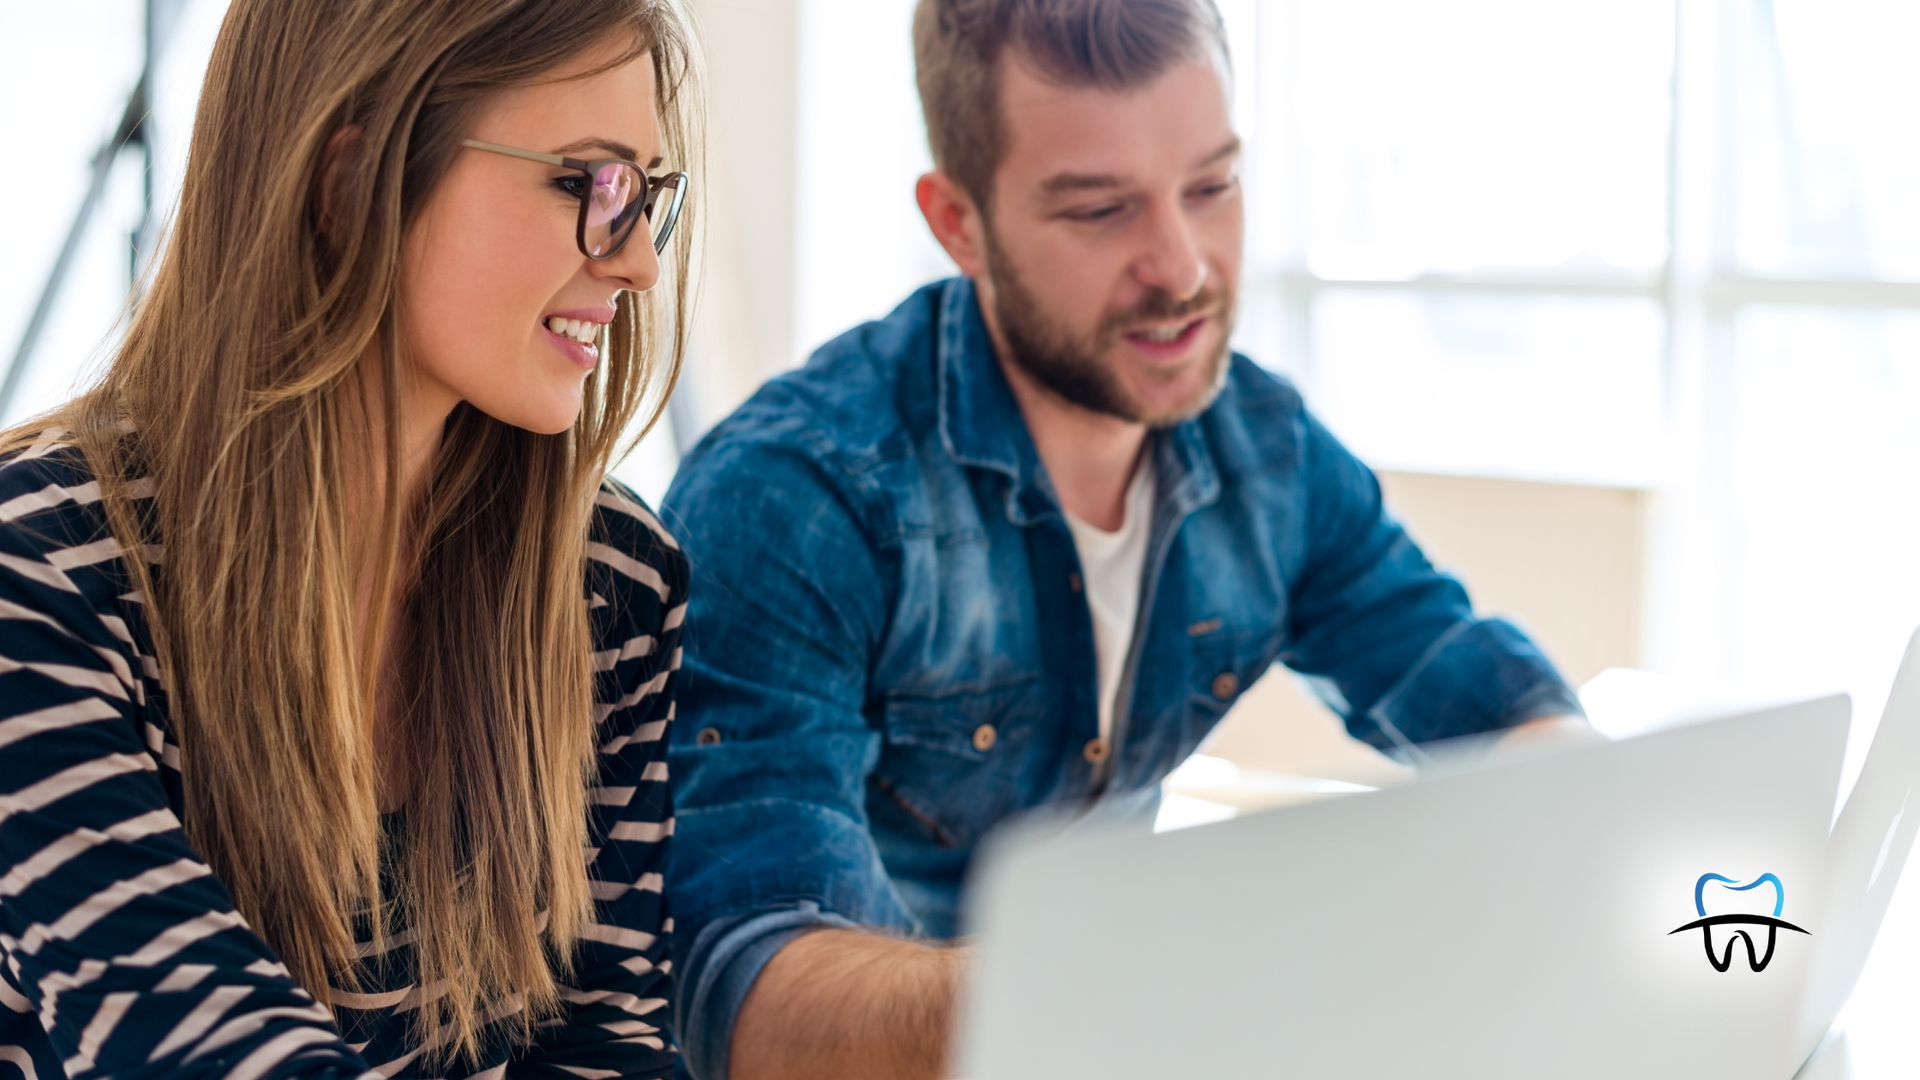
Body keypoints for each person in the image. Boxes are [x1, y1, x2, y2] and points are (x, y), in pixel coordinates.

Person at [661, 1, 1590, 1077]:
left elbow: (1473, 692)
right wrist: (1142, 982)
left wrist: (1603, 821)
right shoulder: (797, 498)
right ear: (958, 221)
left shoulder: (1265, 454)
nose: (1183, 266)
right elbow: (748, 997)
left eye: (1212, 186)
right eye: (1101, 210)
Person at [0, 1, 699, 1078]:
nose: (639, 263)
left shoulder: (610, 583)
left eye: (644, 195)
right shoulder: (37, 575)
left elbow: (605, 1053)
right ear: (348, 183)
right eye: (583, 184)